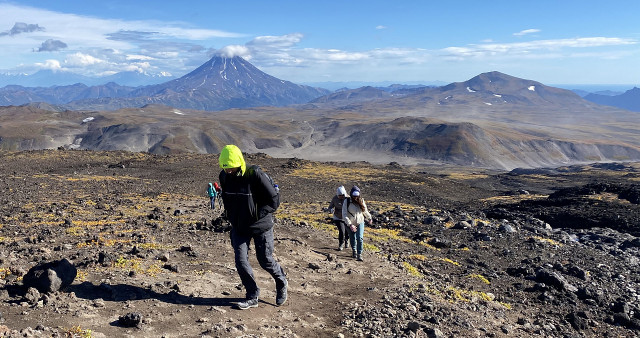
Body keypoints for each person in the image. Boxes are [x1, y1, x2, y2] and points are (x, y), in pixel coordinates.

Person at [218, 144, 288, 310]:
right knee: (240, 261)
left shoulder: (254, 174)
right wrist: (230, 217)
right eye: (225, 167)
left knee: (265, 260)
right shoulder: (224, 176)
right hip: (239, 227)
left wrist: (256, 215)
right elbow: (227, 199)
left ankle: (281, 281)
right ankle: (252, 295)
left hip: (260, 226)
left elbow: (274, 200)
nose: (228, 171)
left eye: (230, 167)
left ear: (238, 162)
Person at [342, 186, 373, 261]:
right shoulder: (347, 202)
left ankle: (359, 254)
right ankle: (354, 251)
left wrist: (369, 218)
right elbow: (344, 214)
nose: (355, 197)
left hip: (360, 222)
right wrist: (350, 224)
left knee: (360, 238)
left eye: (357, 195)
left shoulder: (361, 200)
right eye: (354, 195)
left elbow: (365, 211)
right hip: (350, 223)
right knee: (352, 238)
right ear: (351, 194)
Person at [327, 186, 349, 251]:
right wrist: (331, 210)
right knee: (342, 230)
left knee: (347, 230)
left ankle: (347, 239)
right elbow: (330, 207)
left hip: (347, 217)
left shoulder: (348, 198)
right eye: (339, 196)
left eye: (342, 195)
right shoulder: (335, 198)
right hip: (338, 217)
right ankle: (341, 244)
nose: (341, 197)